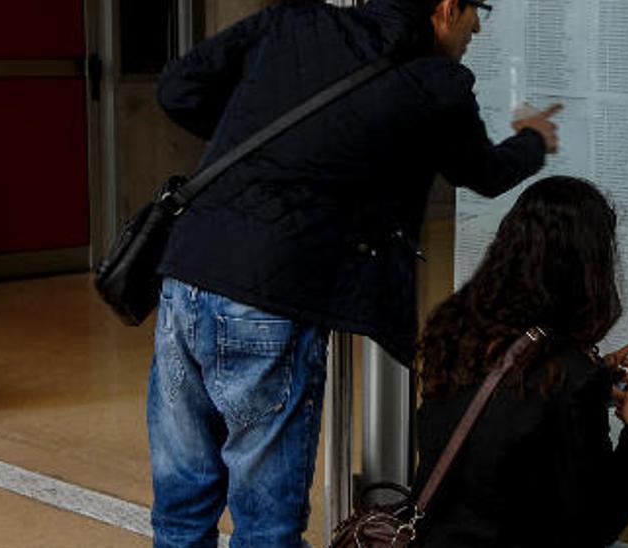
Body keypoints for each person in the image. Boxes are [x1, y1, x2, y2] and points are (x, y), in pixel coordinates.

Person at [146, 0, 561, 545]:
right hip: (273, 297)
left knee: (181, 505)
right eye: (476, 9)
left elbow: (178, 87)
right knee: (266, 521)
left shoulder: (295, 20)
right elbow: (484, 172)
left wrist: (263, 134)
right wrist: (533, 138)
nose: (478, 26)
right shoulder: (437, 84)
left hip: (188, 272)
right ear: (444, 9)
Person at [414, 176, 628, 547]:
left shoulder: (457, 331)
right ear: (588, 269)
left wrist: (598, 382)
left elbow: (504, 416)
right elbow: (597, 523)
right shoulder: (569, 377)